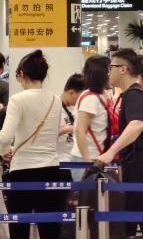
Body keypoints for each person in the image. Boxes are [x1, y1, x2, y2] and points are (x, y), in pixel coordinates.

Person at [96, 48, 143, 239]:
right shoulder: (140, 93)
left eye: (111, 67)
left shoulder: (133, 95)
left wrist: (110, 152)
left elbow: (137, 124)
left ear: (123, 69)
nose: (108, 72)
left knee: (126, 220)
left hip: (139, 166)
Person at [0, 50, 64, 239]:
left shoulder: (17, 100)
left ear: (22, 74)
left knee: (19, 229)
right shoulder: (56, 100)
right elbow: (53, 134)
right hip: (51, 168)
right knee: (50, 229)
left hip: (22, 171)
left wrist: (4, 151)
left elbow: (5, 137)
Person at [71, 54, 114, 181]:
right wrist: (88, 162)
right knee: (86, 194)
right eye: (111, 68)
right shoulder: (90, 98)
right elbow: (80, 130)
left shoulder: (101, 95)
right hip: (87, 159)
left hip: (97, 158)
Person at [58, 74, 85, 171]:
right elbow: (44, 136)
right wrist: (67, 129)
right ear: (71, 93)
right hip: (60, 163)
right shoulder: (53, 107)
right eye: (80, 97)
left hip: (75, 162)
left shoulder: (75, 108)